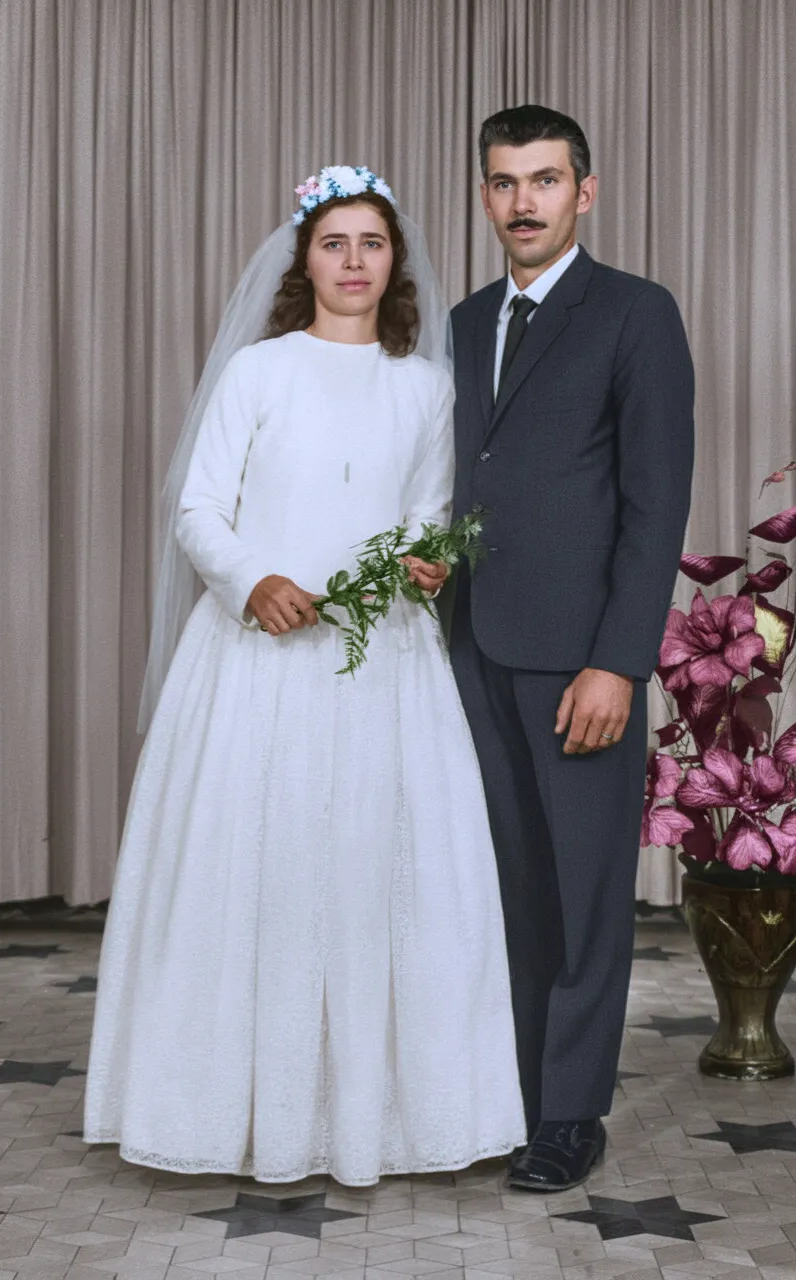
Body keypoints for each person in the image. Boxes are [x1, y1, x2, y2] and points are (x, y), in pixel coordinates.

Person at [83, 166, 526, 1187]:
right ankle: (232, 1111)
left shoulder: (426, 387)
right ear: (304, 259)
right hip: (256, 660)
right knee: (256, 870)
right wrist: (250, 579)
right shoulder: (258, 372)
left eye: (372, 243)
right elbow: (198, 507)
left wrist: (426, 556)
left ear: (394, 262)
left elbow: (425, 508)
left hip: (383, 661)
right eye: (335, 242)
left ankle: (383, 1114)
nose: (354, 261)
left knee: (379, 874)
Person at [413, 107, 695, 1192]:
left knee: (582, 895)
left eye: (541, 179)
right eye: (500, 182)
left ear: (584, 190)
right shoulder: (461, 318)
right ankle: (519, 1096)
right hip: (469, 648)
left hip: (578, 659)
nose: (520, 201)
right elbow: (463, 475)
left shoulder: (633, 313)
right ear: (484, 197)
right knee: (509, 889)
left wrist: (617, 660)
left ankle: (571, 1114)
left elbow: (652, 498)